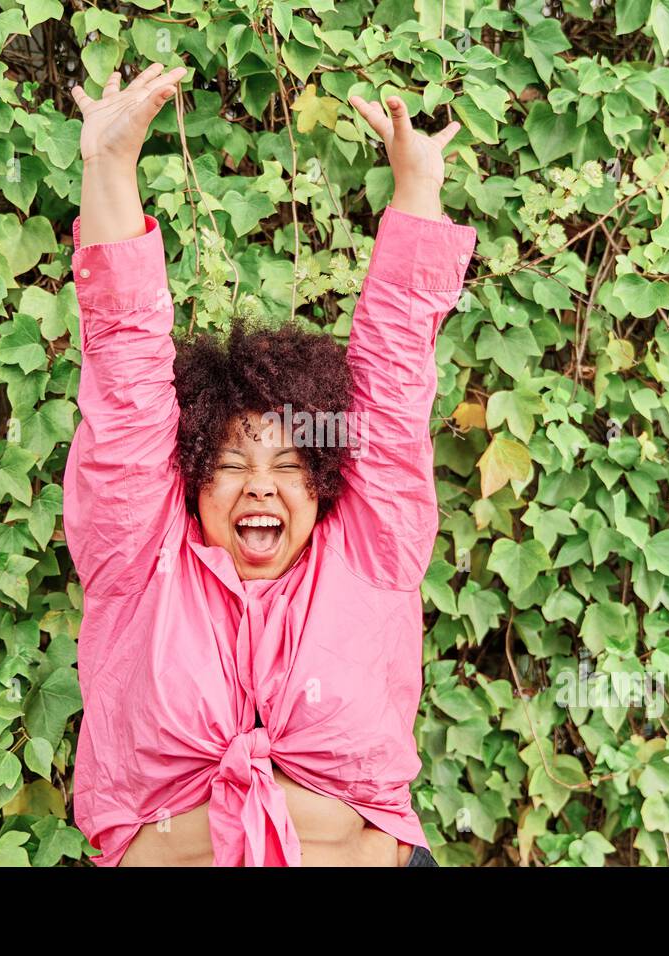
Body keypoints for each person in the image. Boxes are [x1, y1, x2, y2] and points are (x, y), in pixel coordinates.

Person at [63, 56, 476, 866]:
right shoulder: (137, 559)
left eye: (290, 466)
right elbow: (123, 378)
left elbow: (393, 387)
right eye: (230, 465)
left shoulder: (370, 551)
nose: (261, 487)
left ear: (324, 481)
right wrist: (108, 165)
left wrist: (417, 191)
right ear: (188, 475)